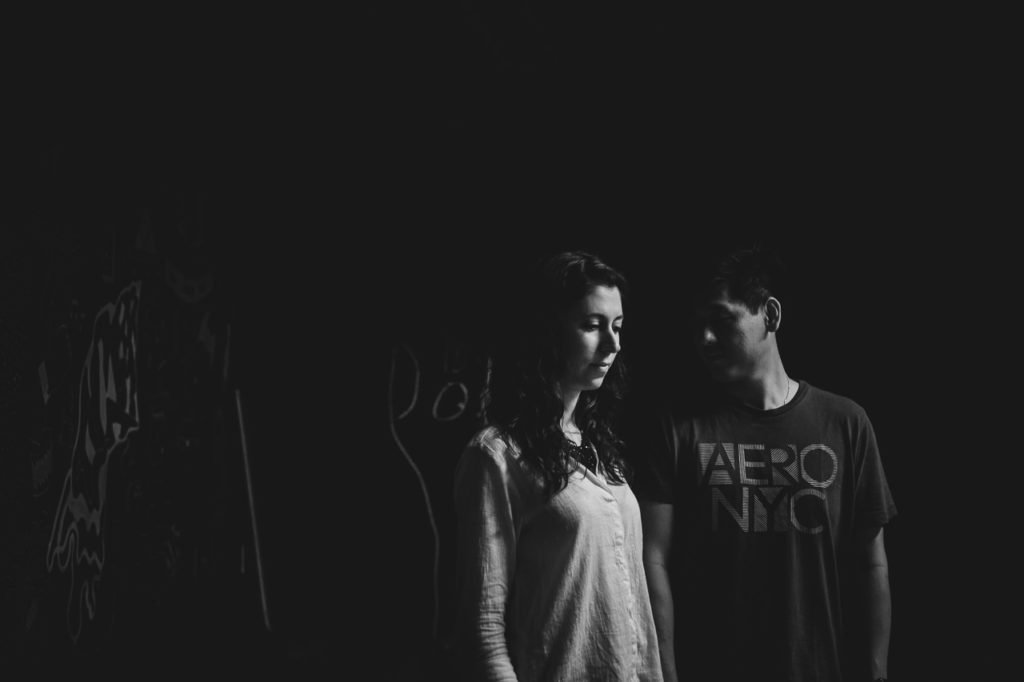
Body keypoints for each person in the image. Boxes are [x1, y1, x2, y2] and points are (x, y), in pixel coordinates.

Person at [636, 244, 897, 682]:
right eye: (698, 326)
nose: (705, 339)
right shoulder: (676, 428)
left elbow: (871, 564)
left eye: (721, 320)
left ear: (770, 315)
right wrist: (665, 672)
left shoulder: (845, 423)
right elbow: (653, 559)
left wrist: (876, 673)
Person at [453, 250, 663, 681]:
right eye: (592, 325)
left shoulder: (600, 449)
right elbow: (484, 627)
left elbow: (635, 613)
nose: (613, 344)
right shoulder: (497, 455)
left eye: (618, 326)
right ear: (549, 332)